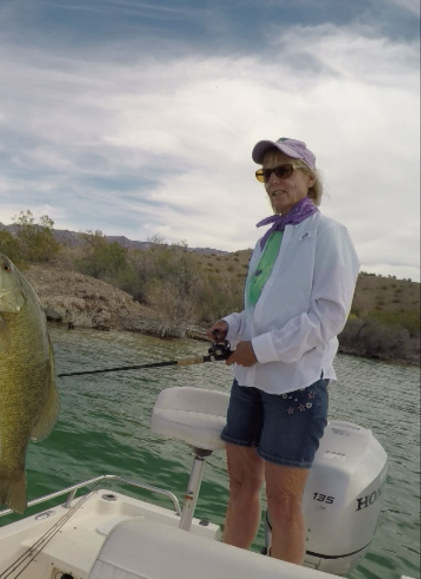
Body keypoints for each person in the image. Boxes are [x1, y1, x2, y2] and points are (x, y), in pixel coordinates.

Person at [208, 137, 359, 564]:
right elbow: (258, 313)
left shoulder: (329, 234)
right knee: (240, 487)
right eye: (266, 173)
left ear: (309, 179)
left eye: (283, 170)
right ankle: (227, 570)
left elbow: (329, 316)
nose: (273, 180)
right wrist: (231, 325)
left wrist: (261, 349)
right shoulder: (266, 240)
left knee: (284, 506)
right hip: (248, 382)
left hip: (296, 389)